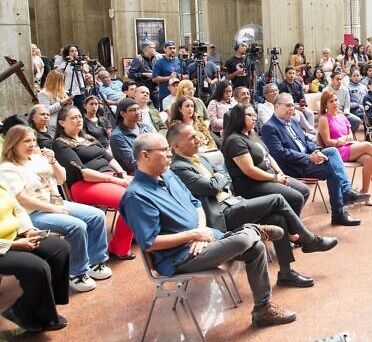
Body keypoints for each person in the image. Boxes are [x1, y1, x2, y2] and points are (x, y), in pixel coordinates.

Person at [119, 133, 297, 328]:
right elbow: (150, 243)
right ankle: (251, 231)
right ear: (145, 156)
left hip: (204, 237)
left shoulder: (168, 174)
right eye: (164, 150)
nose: (170, 154)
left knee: (256, 249)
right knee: (242, 241)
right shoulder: (136, 196)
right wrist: (194, 235)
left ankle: (262, 310)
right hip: (181, 256)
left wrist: (201, 230)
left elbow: (195, 203)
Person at [168, 123, 338, 288]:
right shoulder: (178, 168)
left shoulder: (202, 159)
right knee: (277, 199)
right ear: (176, 146)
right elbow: (210, 187)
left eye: (196, 136)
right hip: (221, 214)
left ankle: (286, 273)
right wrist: (219, 177)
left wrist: (219, 176)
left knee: (277, 218)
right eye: (191, 138)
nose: (198, 139)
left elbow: (225, 174)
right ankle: (308, 239)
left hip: (234, 203)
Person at [0, 126, 112, 293]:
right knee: (76, 226)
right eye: (26, 141)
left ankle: (96, 262)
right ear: (14, 144)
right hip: (34, 213)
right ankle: (77, 272)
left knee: (96, 216)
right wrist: (54, 208)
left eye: (33, 140)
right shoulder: (8, 168)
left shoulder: (37, 159)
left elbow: (61, 180)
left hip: (56, 203)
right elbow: (22, 199)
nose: (31, 144)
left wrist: (53, 162)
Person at [261, 93, 370, 226]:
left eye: (293, 105)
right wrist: (309, 158)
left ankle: (345, 194)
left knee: (331, 152)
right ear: (277, 106)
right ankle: (340, 210)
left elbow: (306, 141)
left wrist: (317, 151)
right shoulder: (269, 127)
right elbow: (281, 153)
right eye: (288, 105)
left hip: (309, 160)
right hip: (294, 167)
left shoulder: (294, 122)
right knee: (333, 169)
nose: (292, 109)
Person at [52, 105, 135, 260]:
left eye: (79, 116)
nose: (78, 120)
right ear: (62, 123)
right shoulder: (60, 144)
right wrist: (113, 179)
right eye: (73, 117)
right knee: (129, 199)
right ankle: (119, 247)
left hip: (110, 177)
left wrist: (122, 174)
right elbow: (83, 173)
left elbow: (109, 158)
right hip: (84, 185)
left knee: (146, 189)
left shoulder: (88, 138)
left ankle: (138, 232)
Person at [0, 180, 69, 332]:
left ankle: (26, 308)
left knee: (60, 249)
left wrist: (28, 230)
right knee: (37, 267)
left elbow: (17, 208)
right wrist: (13, 245)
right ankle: (47, 316)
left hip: (15, 236)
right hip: (3, 246)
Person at [317, 90, 372, 205]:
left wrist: (347, 138)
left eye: (336, 100)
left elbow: (350, 133)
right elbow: (327, 142)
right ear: (325, 104)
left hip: (349, 146)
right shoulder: (324, 119)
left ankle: (364, 194)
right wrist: (340, 141)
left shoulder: (342, 116)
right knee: (368, 145)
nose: (335, 103)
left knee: (368, 159)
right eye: (331, 101)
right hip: (337, 151)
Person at [222, 103, 310, 217]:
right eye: (250, 115)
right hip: (252, 184)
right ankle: (291, 229)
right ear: (238, 117)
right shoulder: (235, 140)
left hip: (269, 177)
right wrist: (275, 178)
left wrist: (279, 173)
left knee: (304, 191)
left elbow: (268, 155)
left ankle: (289, 222)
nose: (254, 118)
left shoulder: (252, 135)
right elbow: (250, 170)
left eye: (255, 115)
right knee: (296, 198)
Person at [110, 98, 154, 175]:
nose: (137, 112)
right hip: (137, 174)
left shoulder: (146, 127)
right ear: (123, 114)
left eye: (138, 109)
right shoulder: (117, 136)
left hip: (155, 166)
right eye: (133, 110)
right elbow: (132, 163)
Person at [324, 71, 361, 136]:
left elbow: (347, 104)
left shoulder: (345, 90)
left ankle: (347, 136)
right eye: (337, 79)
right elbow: (324, 105)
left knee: (356, 120)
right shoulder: (326, 90)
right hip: (331, 113)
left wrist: (346, 112)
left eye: (340, 79)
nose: (339, 81)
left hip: (343, 113)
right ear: (332, 80)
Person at [128, 42, 159, 108]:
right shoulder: (139, 59)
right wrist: (144, 74)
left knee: (156, 110)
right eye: (152, 47)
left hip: (155, 90)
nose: (155, 49)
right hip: (143, 90)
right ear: (145, 50)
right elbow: (130, 74)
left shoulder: (156, 59)